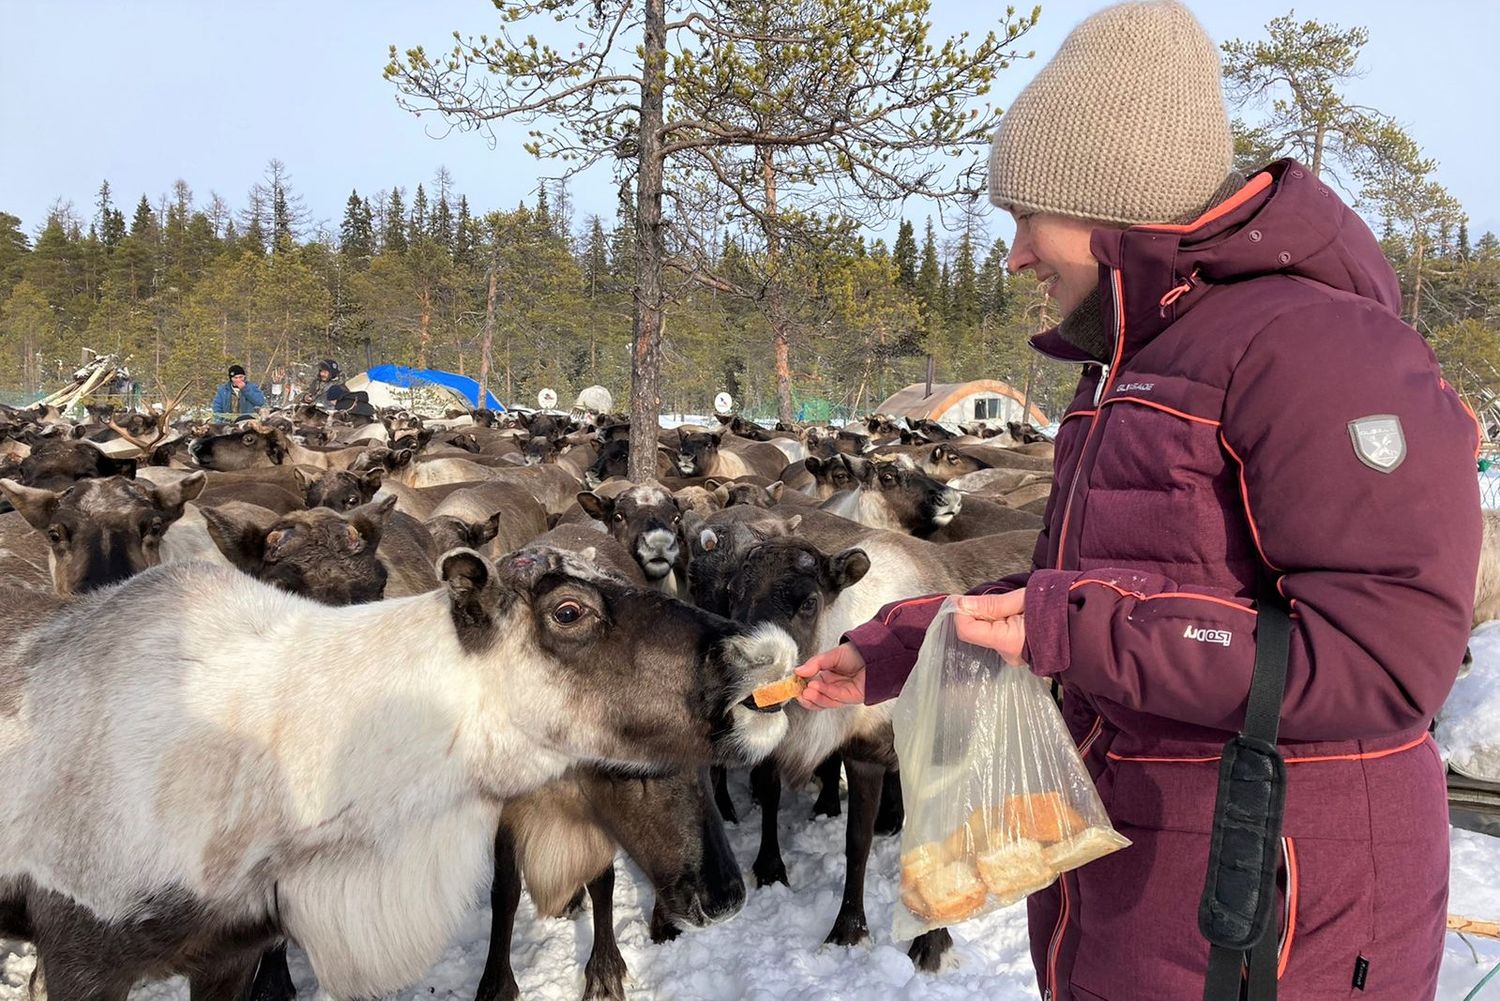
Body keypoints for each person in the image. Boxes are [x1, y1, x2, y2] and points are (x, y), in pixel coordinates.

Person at [792, 4, 1481, 1000]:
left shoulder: (1319, 351)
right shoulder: (1139, 360)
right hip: (1153, 901)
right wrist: (905, 640)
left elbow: (1384, 662)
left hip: (1279, 932)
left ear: (1111, 204)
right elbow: (1109, 587)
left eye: (1028, 214)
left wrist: (1073, 625)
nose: (1017, 252)